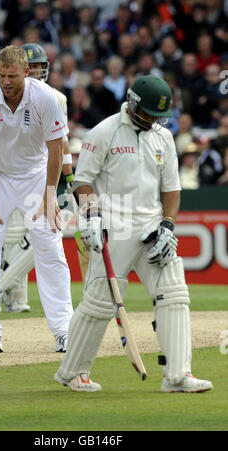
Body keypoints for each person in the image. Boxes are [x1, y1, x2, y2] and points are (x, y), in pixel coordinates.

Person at [54, 74, 213, 393]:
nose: (154, 120)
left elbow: (172, 188)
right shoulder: (104, 132)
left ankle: (177, 375)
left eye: (159, 115)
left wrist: (168, 224)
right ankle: (73, 372)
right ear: (133, 104)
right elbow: (82, 181)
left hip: (152, 227)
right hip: (114, 227)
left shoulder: (163, 137)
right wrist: (91, 217)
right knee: (99, 302)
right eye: (150, 113)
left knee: (175, 296)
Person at [0, 45, 73, 354]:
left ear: (26, 72)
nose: (6, 82)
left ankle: (64, 330)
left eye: (12, 76)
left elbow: (56, 151)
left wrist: (50, 195)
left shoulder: (46, 99)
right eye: (1, 75)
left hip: (36, 175)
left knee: (50, 246)